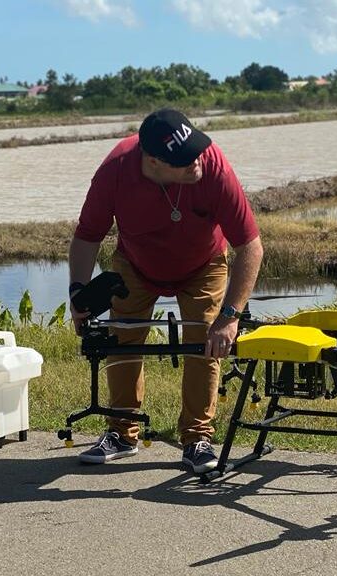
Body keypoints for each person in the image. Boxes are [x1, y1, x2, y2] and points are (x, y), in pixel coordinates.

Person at [69, 108, 263, 474]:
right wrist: (77, 293)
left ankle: (197, 438)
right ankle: (122, 433)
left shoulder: (213, 166)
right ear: (154, 161)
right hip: (136, 264)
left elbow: (250, 246)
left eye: (196, 150)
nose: (196, 162)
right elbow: (87, 236)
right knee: (122, 337)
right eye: (183, 159)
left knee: (207, 340)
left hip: (203, 263)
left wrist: (229, 316)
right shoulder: (115, 170)